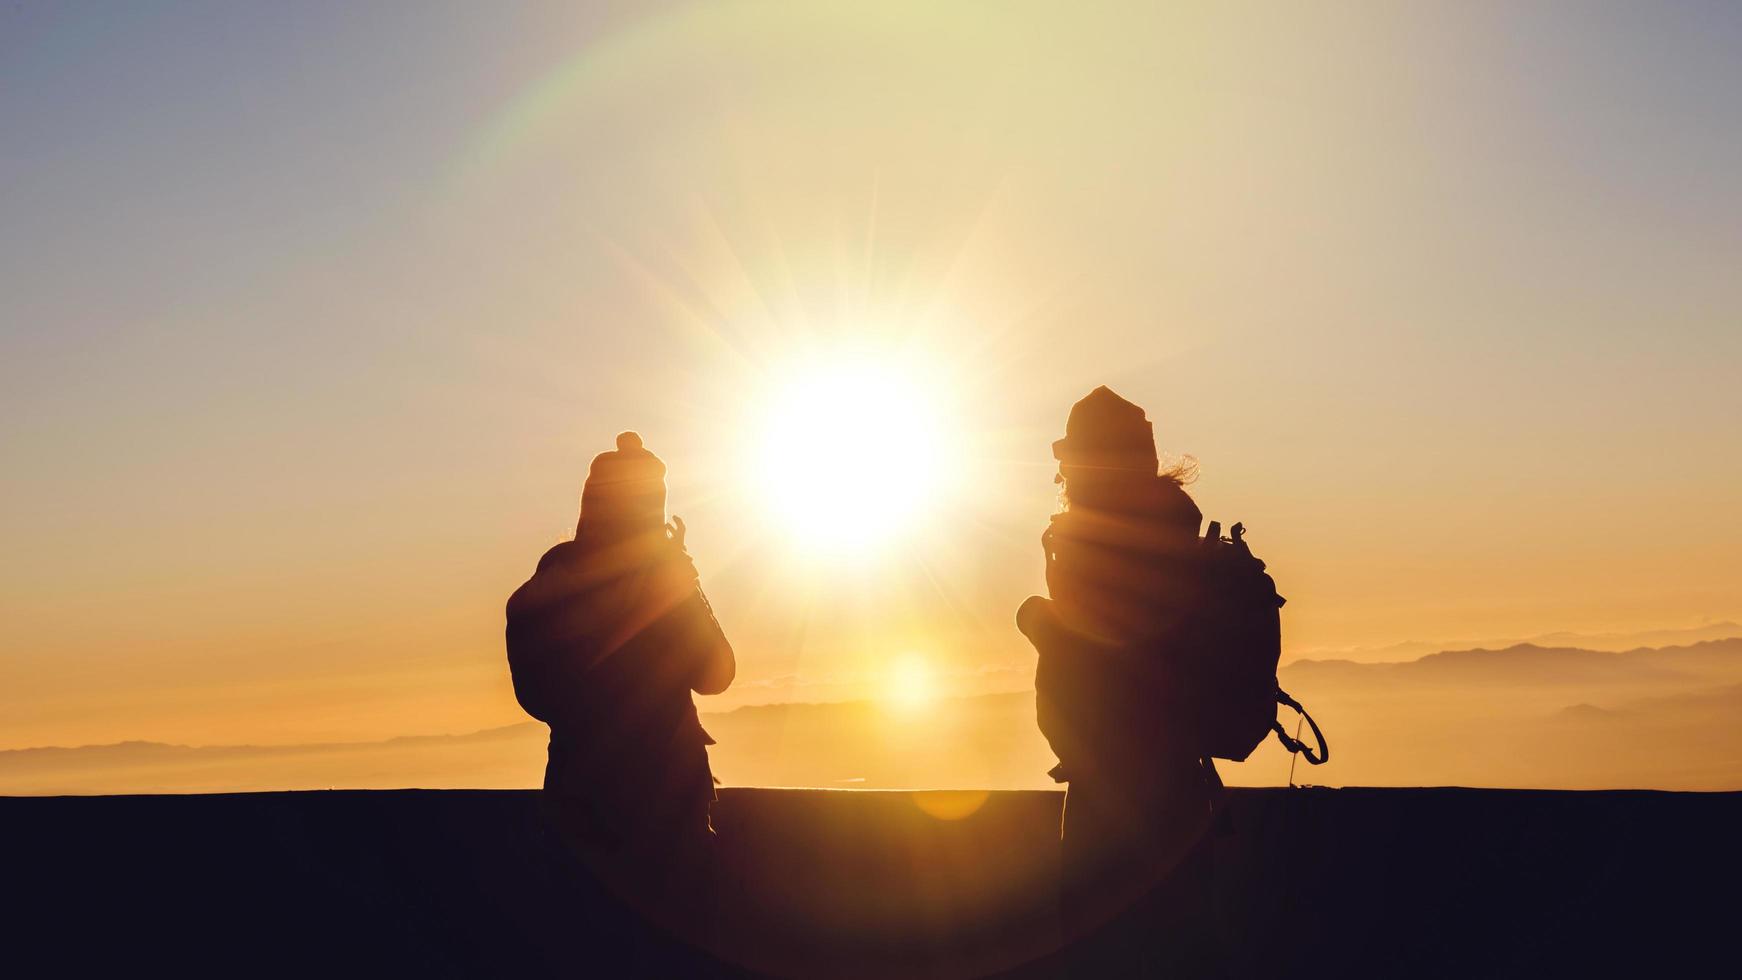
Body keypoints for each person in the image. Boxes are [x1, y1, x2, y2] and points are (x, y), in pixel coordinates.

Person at [505, 430, 735, 954]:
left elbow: (536, 699)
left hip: (577, 802)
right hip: (669, 811)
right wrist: (683, 584)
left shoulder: (539, 592)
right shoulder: (660, 583)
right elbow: (718, 673)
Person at [1017, 386, 1219, 976]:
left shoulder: (1098, 542)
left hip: (1111, 798)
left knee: (1102, 954)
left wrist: (1037, 620)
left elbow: (1102, 656)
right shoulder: (1175, 536)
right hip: (1181, 794)